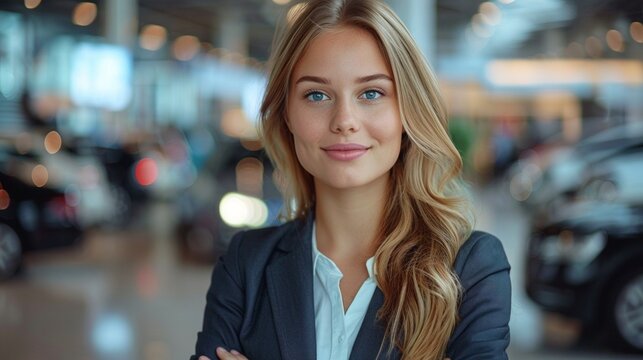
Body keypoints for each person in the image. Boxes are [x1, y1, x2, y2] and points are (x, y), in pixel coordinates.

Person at [191, 0, 511, 359]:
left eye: (371, 93)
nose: (345, 120)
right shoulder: (245, 264)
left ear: (408, 111)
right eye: (317, 95)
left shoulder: (469, 267)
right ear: (287, 116)